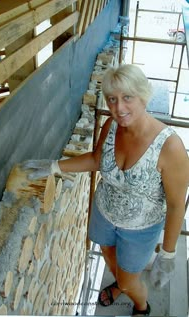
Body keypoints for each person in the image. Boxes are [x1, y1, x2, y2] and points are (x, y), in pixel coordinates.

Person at [21, 64, 189, 316]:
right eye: (112, 99)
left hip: (139, 229)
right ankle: (121, 284)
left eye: (127, 98)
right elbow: (96, 160)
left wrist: (167, 252)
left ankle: (141, 307)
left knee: (128, 280)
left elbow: (176, 204)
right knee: (109, 256)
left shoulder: (170, 147)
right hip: (104, 213)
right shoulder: (111, 126)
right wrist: (53, 166)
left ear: (143, 95)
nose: (119, 108)